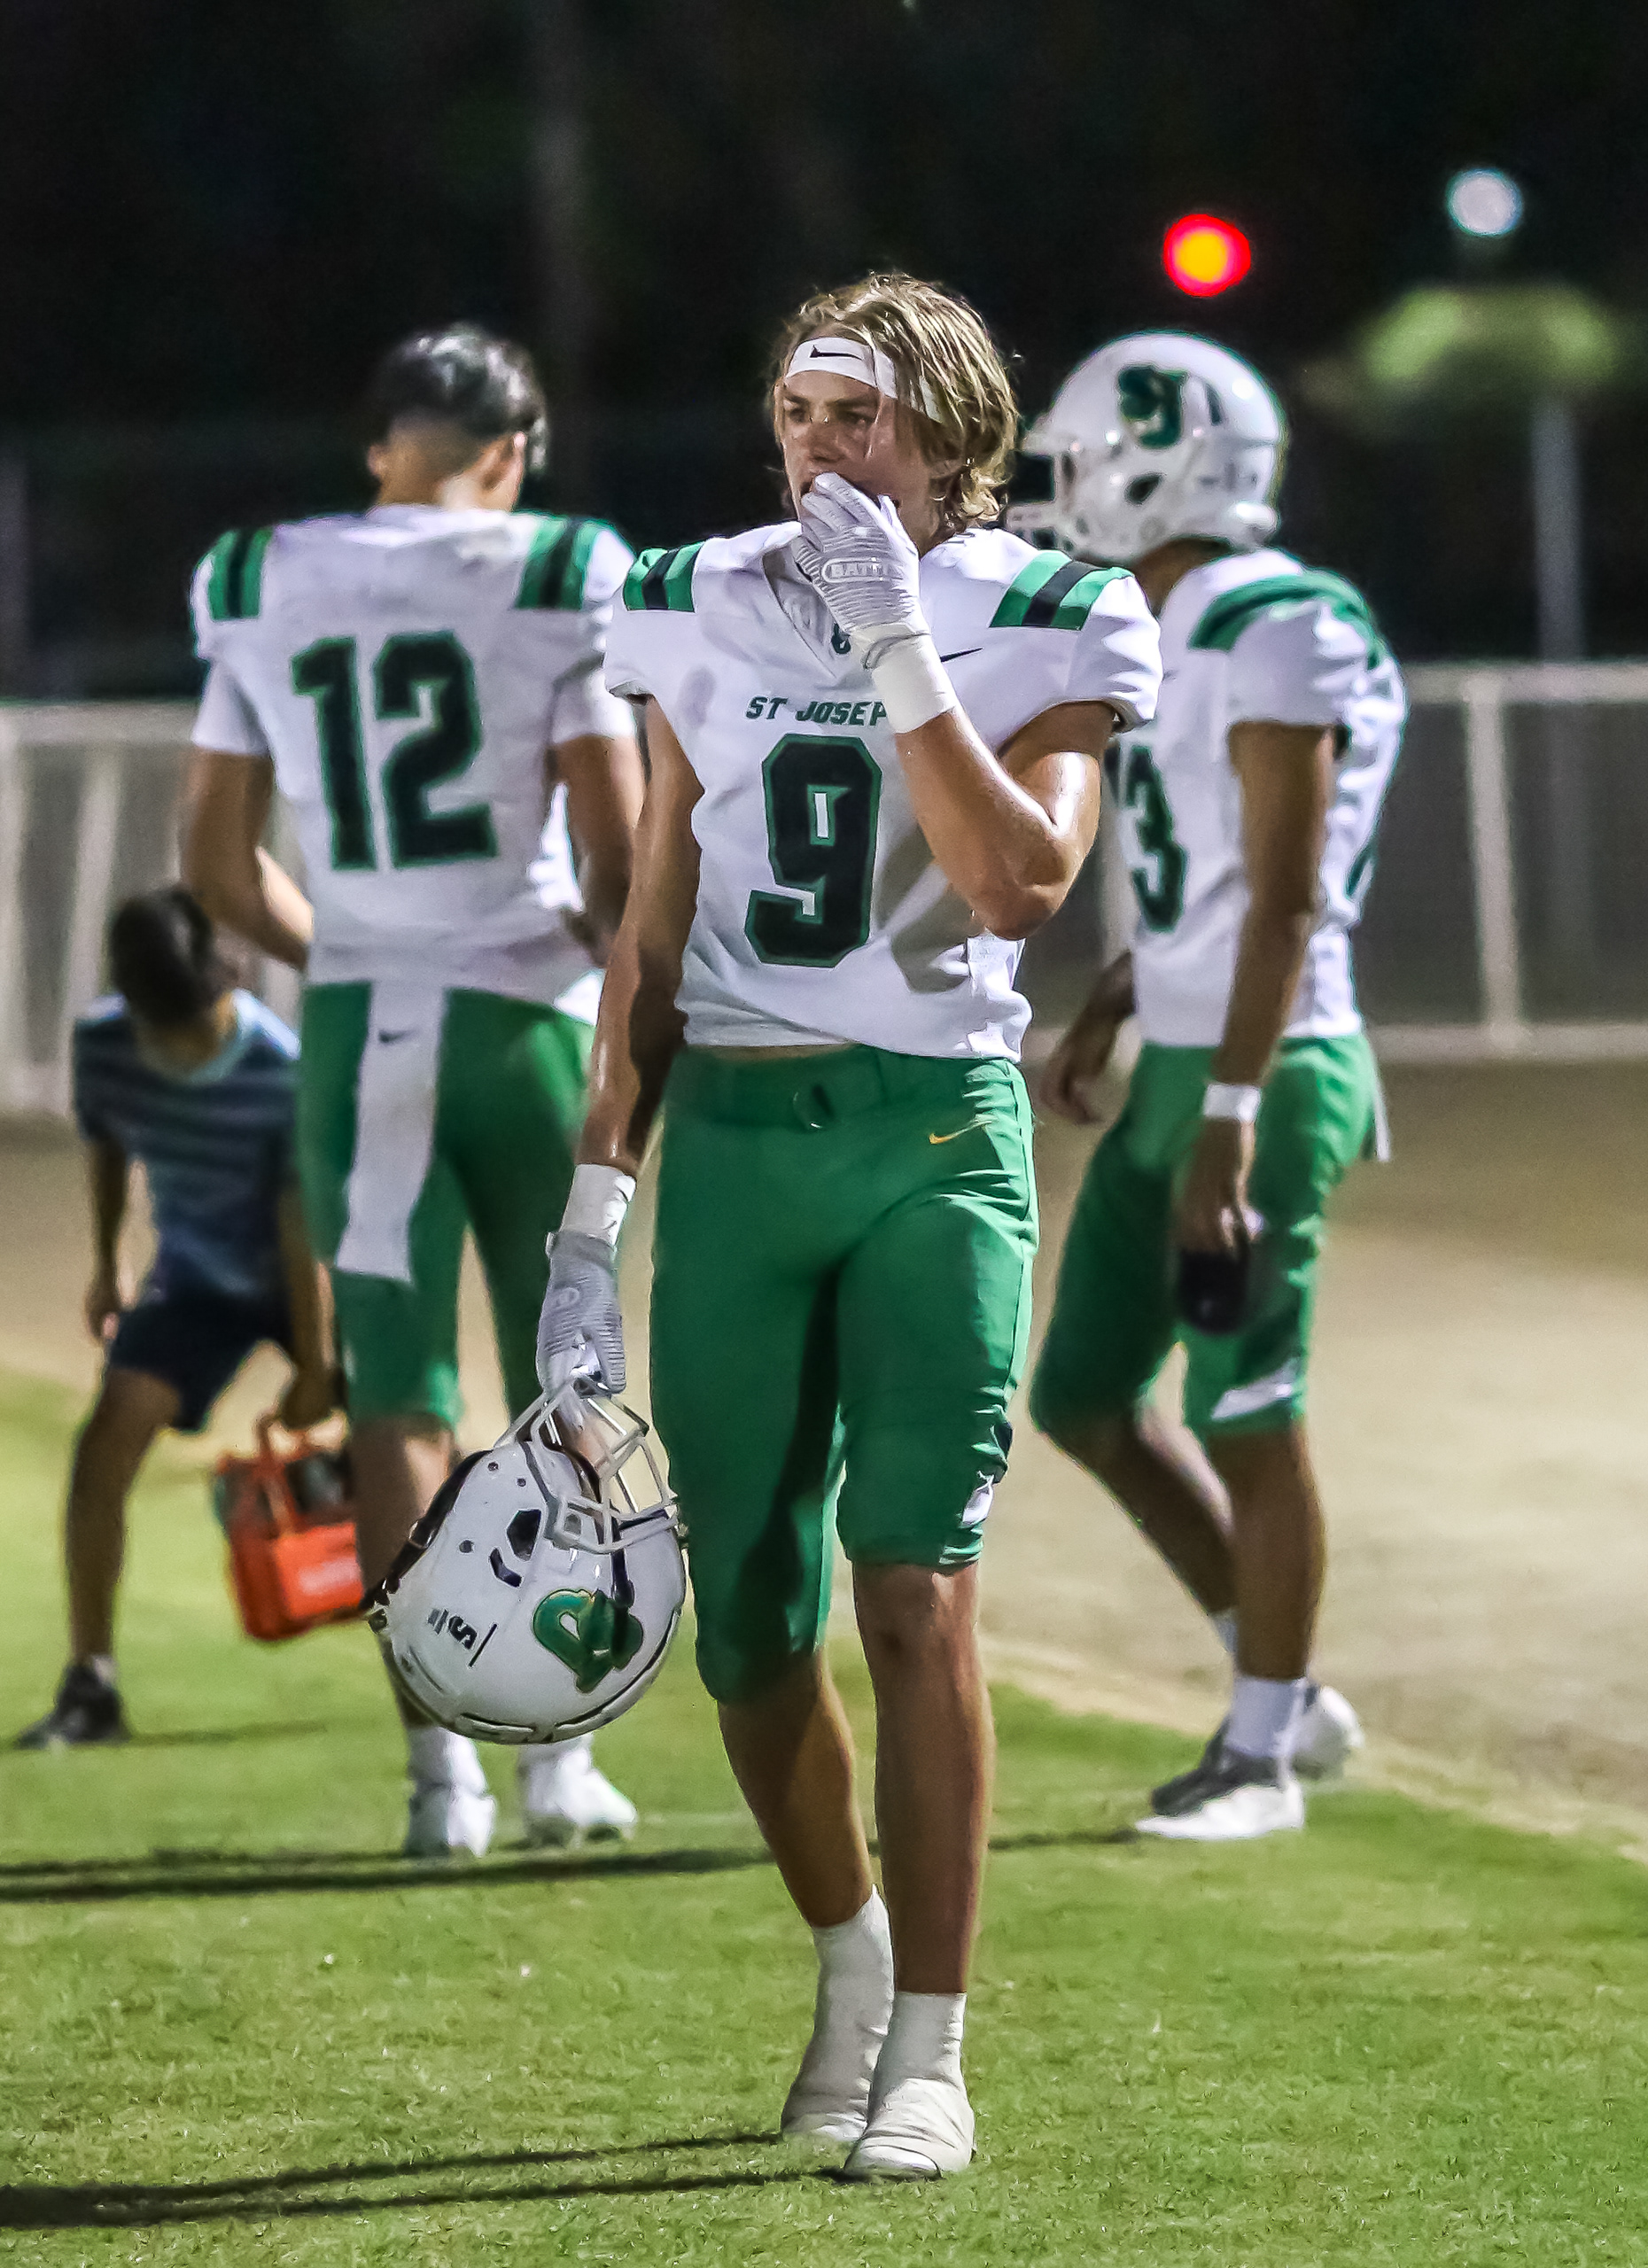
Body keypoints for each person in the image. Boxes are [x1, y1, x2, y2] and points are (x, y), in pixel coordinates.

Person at [535, 274, 1161, 2179]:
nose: (820, 449)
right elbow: (651, 925)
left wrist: (899, 646)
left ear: (953, 437)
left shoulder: (1051, 605)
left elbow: (1015, 880)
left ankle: (936, 2051)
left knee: (914, 1581)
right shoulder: (688, 594)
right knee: (744, 1622)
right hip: (735, 1136)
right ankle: (854, 1956)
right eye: (800, 415)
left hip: (931, 1134)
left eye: (860, 417)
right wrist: (591, 1212)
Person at [182, 323, 646, 1856]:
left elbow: (215, 864)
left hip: (361, 1030)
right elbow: (615, 862)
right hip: (524, 1027)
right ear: (510, 456)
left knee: (398, 1402)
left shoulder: (260, 575)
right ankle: (558, 1760)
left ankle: (442, 1776)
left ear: (381, 447)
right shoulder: (559, 566)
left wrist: (355, 952)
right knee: (567, 1393)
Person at [1015, 332, 1405, 1842]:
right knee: (1084, 1396)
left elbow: (1289, 898)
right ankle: (1281, 1686)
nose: (1066, 487)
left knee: (1248, 1403)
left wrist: (1232, 1116)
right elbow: (1208, 883)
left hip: (1274, 1063)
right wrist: (1117, 999)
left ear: (1160, 466)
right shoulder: (1165, 620)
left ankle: (1260, 1759)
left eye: (1084, 459)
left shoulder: (1278, 619)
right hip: (1188, 1049)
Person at [14, 889, 335, 1749]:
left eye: (192, 1027)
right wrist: (105, 1262)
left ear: (222, 983)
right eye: (161, 1032)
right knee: (104, 1445)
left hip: (302, 1281)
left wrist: (317, 1365)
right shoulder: (103, 1046)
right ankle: (91, 1685)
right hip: (194, 1283)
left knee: (397, 1444)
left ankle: (450, 1666)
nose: (179, 1050)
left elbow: (302, 1226)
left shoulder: (279, 1070)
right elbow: (108, 1142)